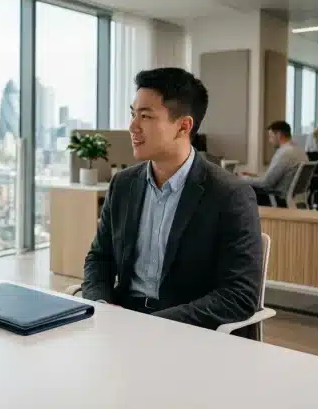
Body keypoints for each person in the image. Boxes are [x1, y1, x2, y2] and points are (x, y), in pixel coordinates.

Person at [81, 67, 262, 332]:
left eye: (145, 116)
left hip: (187, 331)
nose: (133, 127)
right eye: (133, 115)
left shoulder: (229, 194)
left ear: (183, 126)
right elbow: (99, 258)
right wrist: (102, 303)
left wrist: (154, 325)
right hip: (122, 324)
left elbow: (239, 295)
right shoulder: (123, 184)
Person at [240, 121, 308, 207]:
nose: (270, 141)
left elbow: (266, 183)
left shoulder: (284, 153)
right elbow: (275, 176)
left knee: (240, 189)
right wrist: (254, 176)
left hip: (276, 197)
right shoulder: (300, 151)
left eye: (271, 136)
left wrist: (243, 179)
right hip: (291, 197)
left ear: (278, 135)